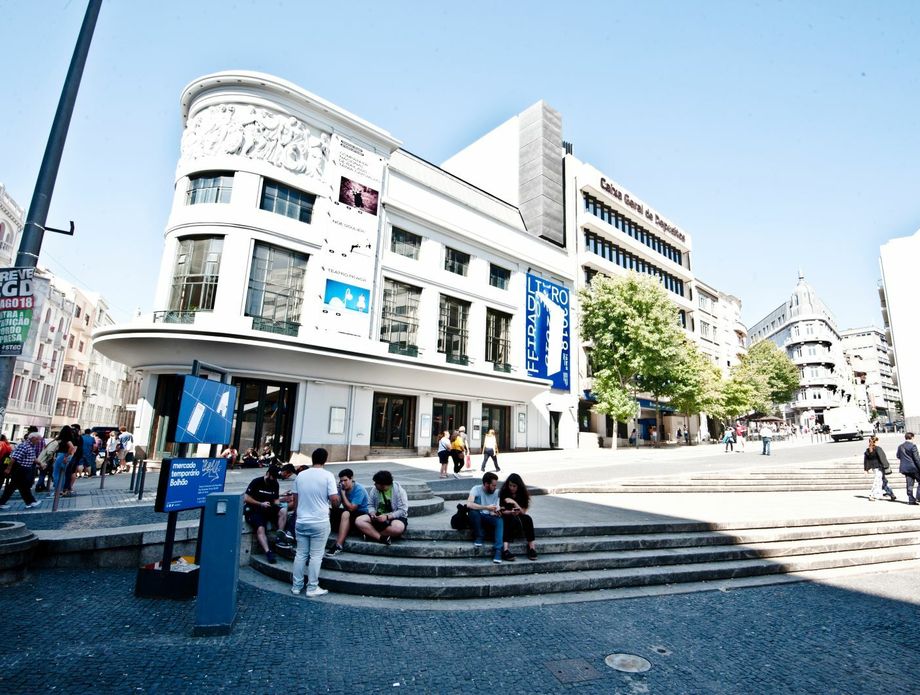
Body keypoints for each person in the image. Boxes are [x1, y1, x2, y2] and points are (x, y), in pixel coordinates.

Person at [291, 448, 339, 597]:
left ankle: (296, 586)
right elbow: (334, 499)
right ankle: (312, 587)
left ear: (312, 459)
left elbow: (295, 499)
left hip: (301, 520)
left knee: (300, 554)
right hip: (319, 520)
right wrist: (336, 501)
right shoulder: (328, 476)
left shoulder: (301, 475)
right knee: (316, 555)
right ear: (325, 459)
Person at [243, 465, 285, 564]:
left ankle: (280, 536)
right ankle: (268, 552)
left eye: (275, 478)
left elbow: (276, 499)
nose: (274, 479)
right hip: (254, 509)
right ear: (267, 474)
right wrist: (260, 503)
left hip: (268, 508)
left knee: (283, 511)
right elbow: (246, 498)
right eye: (272, 477)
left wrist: (279, 504)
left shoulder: (275, 483)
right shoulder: (256, 482)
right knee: (261, 528)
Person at [355, 470, 409, 545]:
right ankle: (381, 538)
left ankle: (370, 534)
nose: (374, 484)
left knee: (398, 528)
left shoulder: (399, 491)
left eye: (376, 483)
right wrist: (372, 512)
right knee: (359, 520)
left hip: (395, 517)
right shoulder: (374, 490)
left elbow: (402, 510)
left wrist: (387, 517)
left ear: (382, 485)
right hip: (378, 516)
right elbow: (370, 505)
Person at [326, 468, 369, 556]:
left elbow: (352, 508)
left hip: (361, 514)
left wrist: (343, 494)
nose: (343, 483)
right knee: (327, 510)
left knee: (346, 513)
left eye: (345, 480)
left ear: (351, 479)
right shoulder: (341, 488)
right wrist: (335, 495)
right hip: (348, 513)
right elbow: (335, 507)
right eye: (341, 481)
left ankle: (338, 545)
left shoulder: (358, 489)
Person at [466, 471, 504, 564]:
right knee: (473, 512)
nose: (495, 488)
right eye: (493, 485)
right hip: (479, 515)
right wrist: (486, 507)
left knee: (500, 520)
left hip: (490, 516)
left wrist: (498, 511)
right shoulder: (476, 489)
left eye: (496, 485)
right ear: (486, 484)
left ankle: (498, 550)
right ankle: (479, 536)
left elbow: (498, 506)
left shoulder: (497, 492)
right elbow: (469, 504)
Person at [0, 431, 44, 509]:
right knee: (15, 486)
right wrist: (8, 468)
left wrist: (40, 463)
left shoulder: (31, 446)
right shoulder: (24, 446)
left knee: (22, 487)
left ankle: (30, 502)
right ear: (33, 438)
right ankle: (30, 502)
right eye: (37, 440)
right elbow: (14, 458)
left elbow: (32, 458)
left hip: (25, 469)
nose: (39, 442)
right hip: (20, 468)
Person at [499, 472, 537, 561]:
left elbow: (523, 512)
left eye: (514, 486)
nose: (512, 488)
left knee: (528, 518)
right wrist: (510, 512)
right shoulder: (504, 492)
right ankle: (506, 550)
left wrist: (514, 503)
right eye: (510, 485)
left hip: (519, 516)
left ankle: (532, 548)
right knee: (509, 519)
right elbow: (501, 510)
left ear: (518, 486)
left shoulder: (523, 494)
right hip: (507, 516)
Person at [863, 435, 895, 502]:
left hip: (874, 468)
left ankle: (891, 494)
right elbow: (883, 457)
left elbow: (866, 460)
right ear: (876, 441)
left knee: (883, 480)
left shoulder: (868, 450)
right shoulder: (878, 448)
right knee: (878, 481)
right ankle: (872, 495)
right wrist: (886, 466)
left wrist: (866, 469)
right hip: (880, 467)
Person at [896, 432, 920, 506]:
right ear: (912, 437)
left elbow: (898, 456)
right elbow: (916, 459)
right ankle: (918, 498)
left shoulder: (900, 446)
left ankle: (911, 499)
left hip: (905, 468)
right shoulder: (913, 446)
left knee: (909, 484)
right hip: (914, 468)